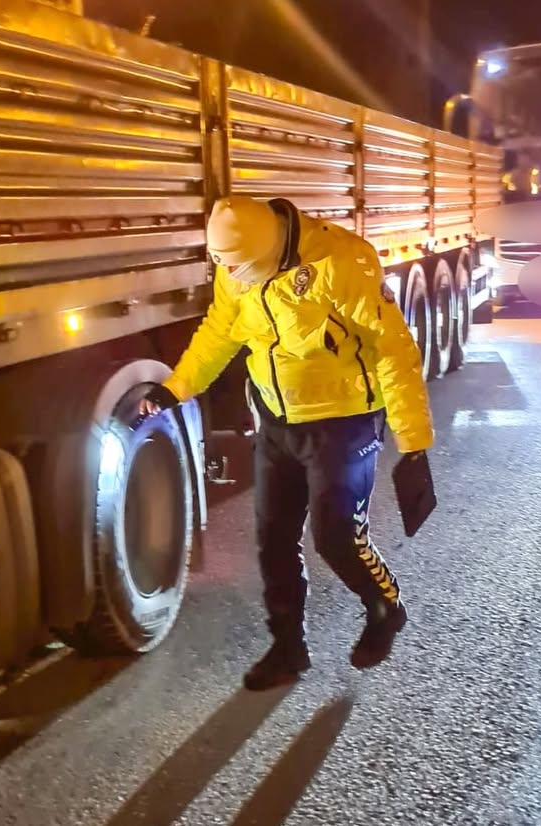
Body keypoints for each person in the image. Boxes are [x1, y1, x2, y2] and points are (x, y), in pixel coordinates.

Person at [139, 195, 434, 691]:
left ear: (269, 251)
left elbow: (393, 347)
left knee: (336, 537)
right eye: (224, 266)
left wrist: (413, 440)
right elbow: (221, 331)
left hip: (344, 420)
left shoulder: (340, 262)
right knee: (273, 541)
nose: (231, 275)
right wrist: (176, 388)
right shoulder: (237, 265)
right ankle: (287, 648)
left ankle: (384, 605)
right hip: (276, 419)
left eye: (238, 267)